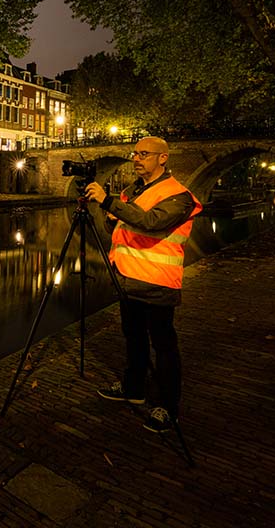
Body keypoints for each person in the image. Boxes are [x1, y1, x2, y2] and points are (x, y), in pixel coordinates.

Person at [84, 137, 202, 433]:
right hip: (127, 277)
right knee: (133, 337)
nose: (137, 158)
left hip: (158, 282)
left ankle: (167, 407)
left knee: (164, 346)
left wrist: (108, 201)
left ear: (163, 158)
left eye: (144, 154)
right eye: (134, 153)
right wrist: (107, 211)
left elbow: (151, 223)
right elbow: (119, 227)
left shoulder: (179, 196)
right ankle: (133, 388)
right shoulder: (131, 191)